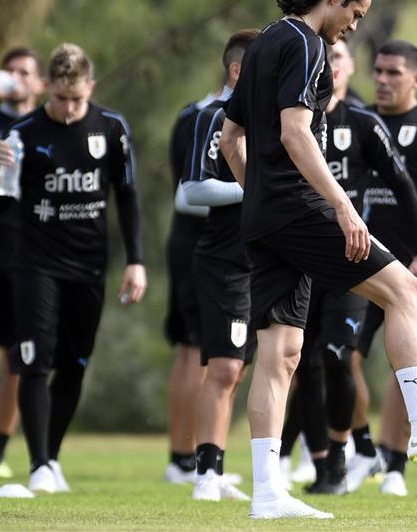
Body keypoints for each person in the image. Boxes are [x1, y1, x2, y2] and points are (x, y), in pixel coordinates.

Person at [216, 0, 417, 519]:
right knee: (406, 292)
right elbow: (296, 132)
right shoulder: (305, 44)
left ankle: (267, 494)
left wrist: (260, 200)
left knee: (281, 351)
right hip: (300, 207)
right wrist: (343, 208)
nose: (355, 27)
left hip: (265, 218)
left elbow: (230, 138)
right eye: (358, 13)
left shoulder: (265, 40)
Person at [0, 43, 147, 493]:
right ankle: (38, 462)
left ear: (90, 89)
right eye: (60, 99)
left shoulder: (112, 128)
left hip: (89, 267)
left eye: (77, 99)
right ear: (47, 91)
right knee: (34, 361)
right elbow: (0, 203)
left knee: (75, 364)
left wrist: (135, 260)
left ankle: (52, 457)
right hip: (34, 263)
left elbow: (128, 196)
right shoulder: (22, 132)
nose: (68, 109)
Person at [279, 38, 417, 495]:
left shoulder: (363, 123)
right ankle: (324, 467)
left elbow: (404, 187)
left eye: (339, 58)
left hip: (352, 258)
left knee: (337, 355)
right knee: (303, 362)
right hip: (302, 256)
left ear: (349, 67)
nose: (332, 66)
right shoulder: (294, 119)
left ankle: (344, 455)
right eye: (325, 59)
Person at [348, 39, 417, 497]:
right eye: (377, 71)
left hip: (411, 268)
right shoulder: (358, 122)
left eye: (393, 72)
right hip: (357, 261)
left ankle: (395, 462)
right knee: (343, 358)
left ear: (415, 79)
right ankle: (361, 446)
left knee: (405, 365)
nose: (382, 79)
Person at [178, 28, 260, 501]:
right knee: (224, 368)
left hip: (262, 260)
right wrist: (251, 190)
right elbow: (191, 191)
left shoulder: (274, 115)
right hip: (223, 259)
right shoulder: (213, 118)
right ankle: (204, 473)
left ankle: (218, 467)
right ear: (236, 70)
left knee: (241, 369)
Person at [162, 78, 221, 486]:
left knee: (199, 351)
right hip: (198, 244)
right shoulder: (199, 117)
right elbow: (187, 193)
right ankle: (185, 458)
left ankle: (186, 457)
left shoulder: (196, 114)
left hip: (206, 245)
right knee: (197, 350)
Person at [0, 47, 45, 479]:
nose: (14, 79)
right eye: (8, 71)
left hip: (23, 255)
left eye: (24, 73)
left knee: (16, 355)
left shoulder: (43, 129)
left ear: (41, 83)